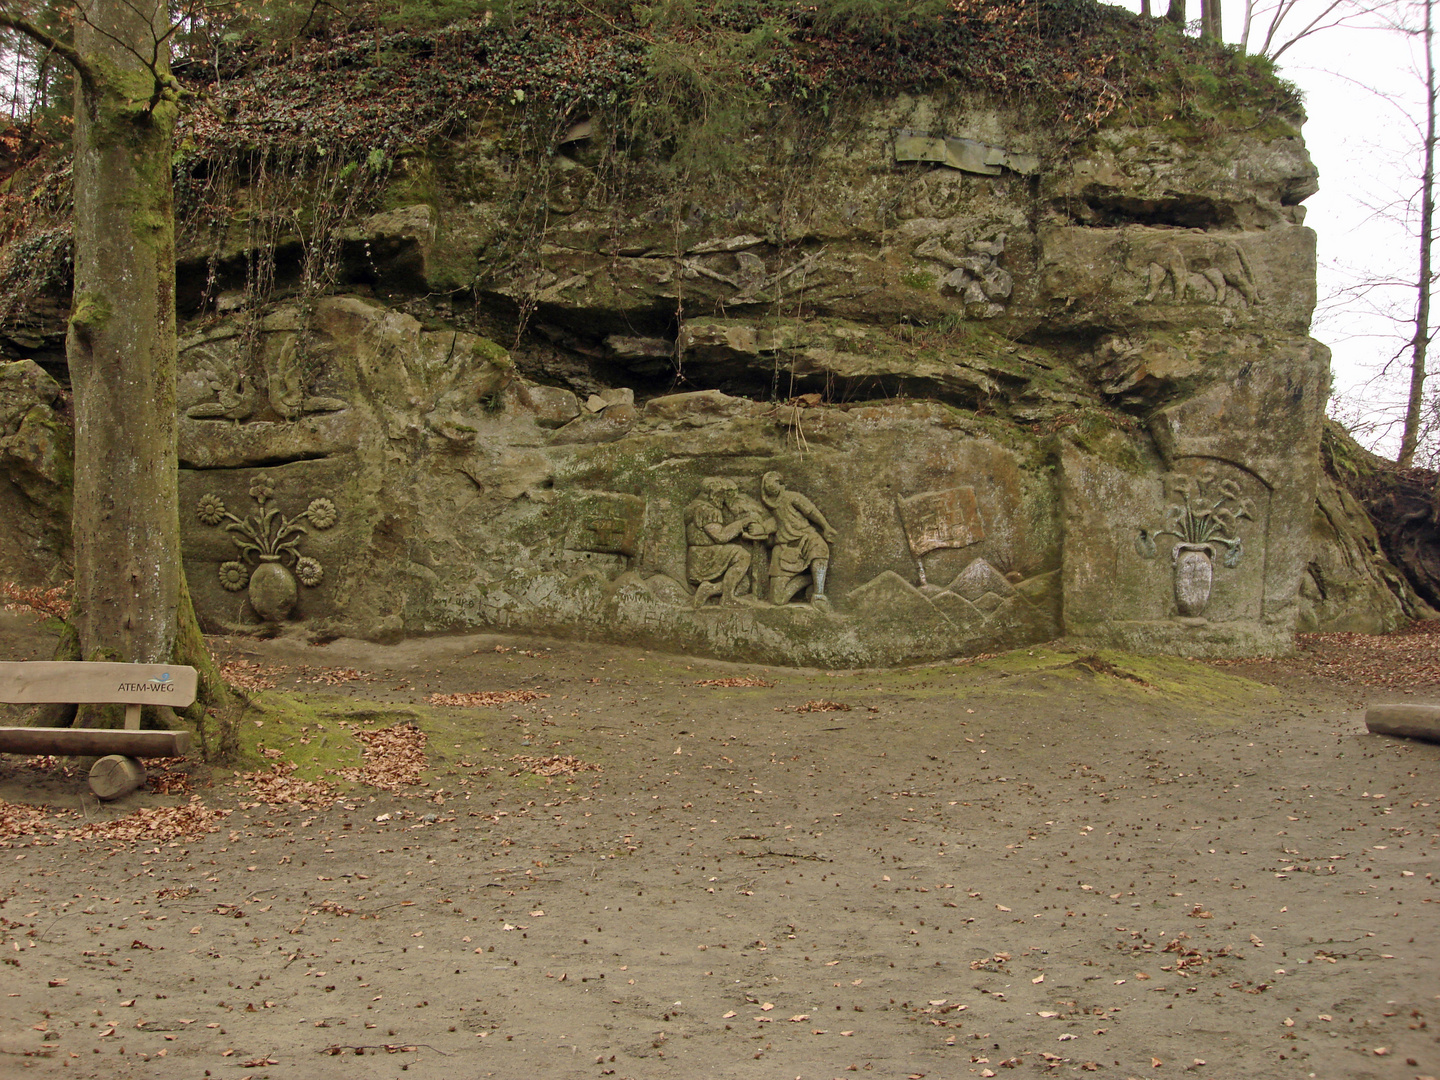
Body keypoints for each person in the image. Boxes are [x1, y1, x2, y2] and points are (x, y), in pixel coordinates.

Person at [760, 471, 836, 610]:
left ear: (781, 484)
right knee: (777, 599)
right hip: (783, 547)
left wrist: (826, 527)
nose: (770, 487)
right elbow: (767, 530)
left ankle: (818, 594)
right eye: (767, 484)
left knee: (820, 548)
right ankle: (807, 580)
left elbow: (811, 511)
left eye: (774, 483)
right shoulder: (765, 505)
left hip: (805, 537)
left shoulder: (792, 497)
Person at [685, 477, 752, 607]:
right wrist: (741, 524)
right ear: (712, 494)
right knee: (743, 555)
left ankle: (710, 590)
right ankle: (727, 598)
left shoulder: (693, 507)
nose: (723, 499)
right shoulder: (707, 510)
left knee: (743, 583)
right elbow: (721, 536)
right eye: (721, 495)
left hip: (698, 556)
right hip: (704, 557)